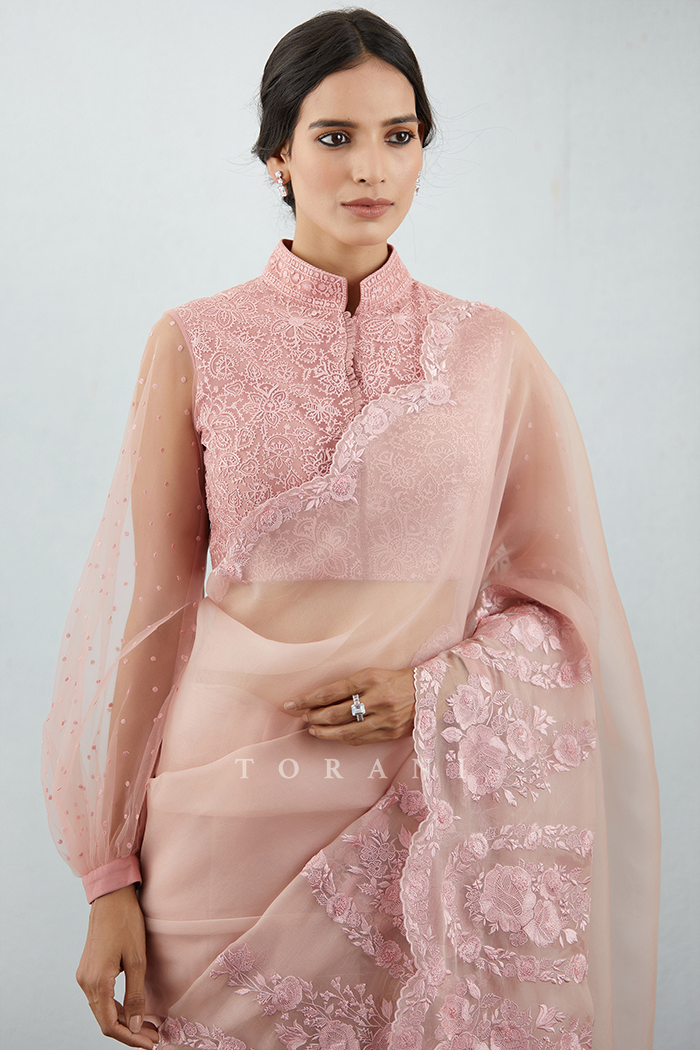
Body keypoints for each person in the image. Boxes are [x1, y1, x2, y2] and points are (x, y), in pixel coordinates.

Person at [42, 9, 660, 1050]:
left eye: (399, 135)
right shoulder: (195, 341)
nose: (371, 167)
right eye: (335, 136)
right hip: (224, 812)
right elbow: (156, 611)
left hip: (427, 806)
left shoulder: (490, 354)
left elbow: (560, 613)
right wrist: (109, 874)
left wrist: (432, 694)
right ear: (277, 154)